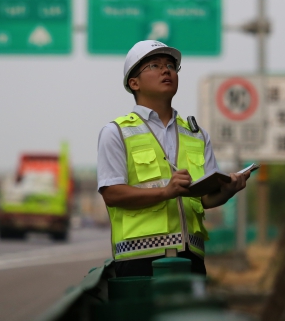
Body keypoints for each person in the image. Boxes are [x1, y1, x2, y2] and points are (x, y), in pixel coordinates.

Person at [97, 40, 249, 277]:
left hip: (192, 260)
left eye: (170, 65)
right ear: (133, 82)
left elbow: (205, 199)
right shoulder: (115, 132)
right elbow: (112, 194)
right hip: (140, 261)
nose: (166, 70)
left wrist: (229, 190)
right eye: (154, 66)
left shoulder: (197, 135)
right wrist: (165, 192)